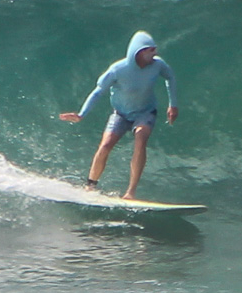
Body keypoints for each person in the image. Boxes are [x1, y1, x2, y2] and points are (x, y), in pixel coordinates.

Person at [59, 30, 179, 200]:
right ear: (139, 51)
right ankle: (90, 186)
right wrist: (81, 114)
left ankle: (130, 192)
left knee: (140, 140)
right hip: (121, 114)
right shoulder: (118, 69)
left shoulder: (157, 65)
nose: (155, 53)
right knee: (105, 145)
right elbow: (98, 92)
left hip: (145, 112)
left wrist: (173, 105)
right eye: (151, 50)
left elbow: (170, 77)